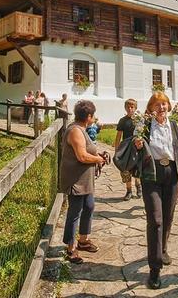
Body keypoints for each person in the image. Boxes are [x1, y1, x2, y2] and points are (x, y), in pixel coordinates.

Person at [133, 92, 178, 289]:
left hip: (171, 173)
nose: (161, 107)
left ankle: (162, 249)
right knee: (155, 219)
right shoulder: (144, 126)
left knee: (168, 216)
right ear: (151, 108)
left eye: (164, 104)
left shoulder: (175, 126)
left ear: (168, 106)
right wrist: (137, 144)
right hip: (151, 174)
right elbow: (135, 145)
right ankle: (154, 269)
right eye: (157, 104)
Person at [58, 100, 107, 264]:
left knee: (89, 206)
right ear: (89, 117)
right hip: (76, 180)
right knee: (75, 212)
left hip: (84, 180)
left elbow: (87, 151)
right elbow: (82, 156)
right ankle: (71, 248)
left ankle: (83, 240)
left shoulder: (81, 129)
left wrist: (97, 154)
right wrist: (98, 159)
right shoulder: (75, 131)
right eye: (93, 116)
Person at [114, 99, 142, 201]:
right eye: (128, 107)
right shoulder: (123, 121)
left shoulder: (139, 120)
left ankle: (138, 186)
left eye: (132, 107)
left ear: (135, 108)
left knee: (137, 168)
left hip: (137, 147)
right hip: (125, 148)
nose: (130, 109)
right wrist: (117, 151)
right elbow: (118, 136)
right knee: (126, 169)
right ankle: (129, 190)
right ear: (125, 108)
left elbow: (142, 134)